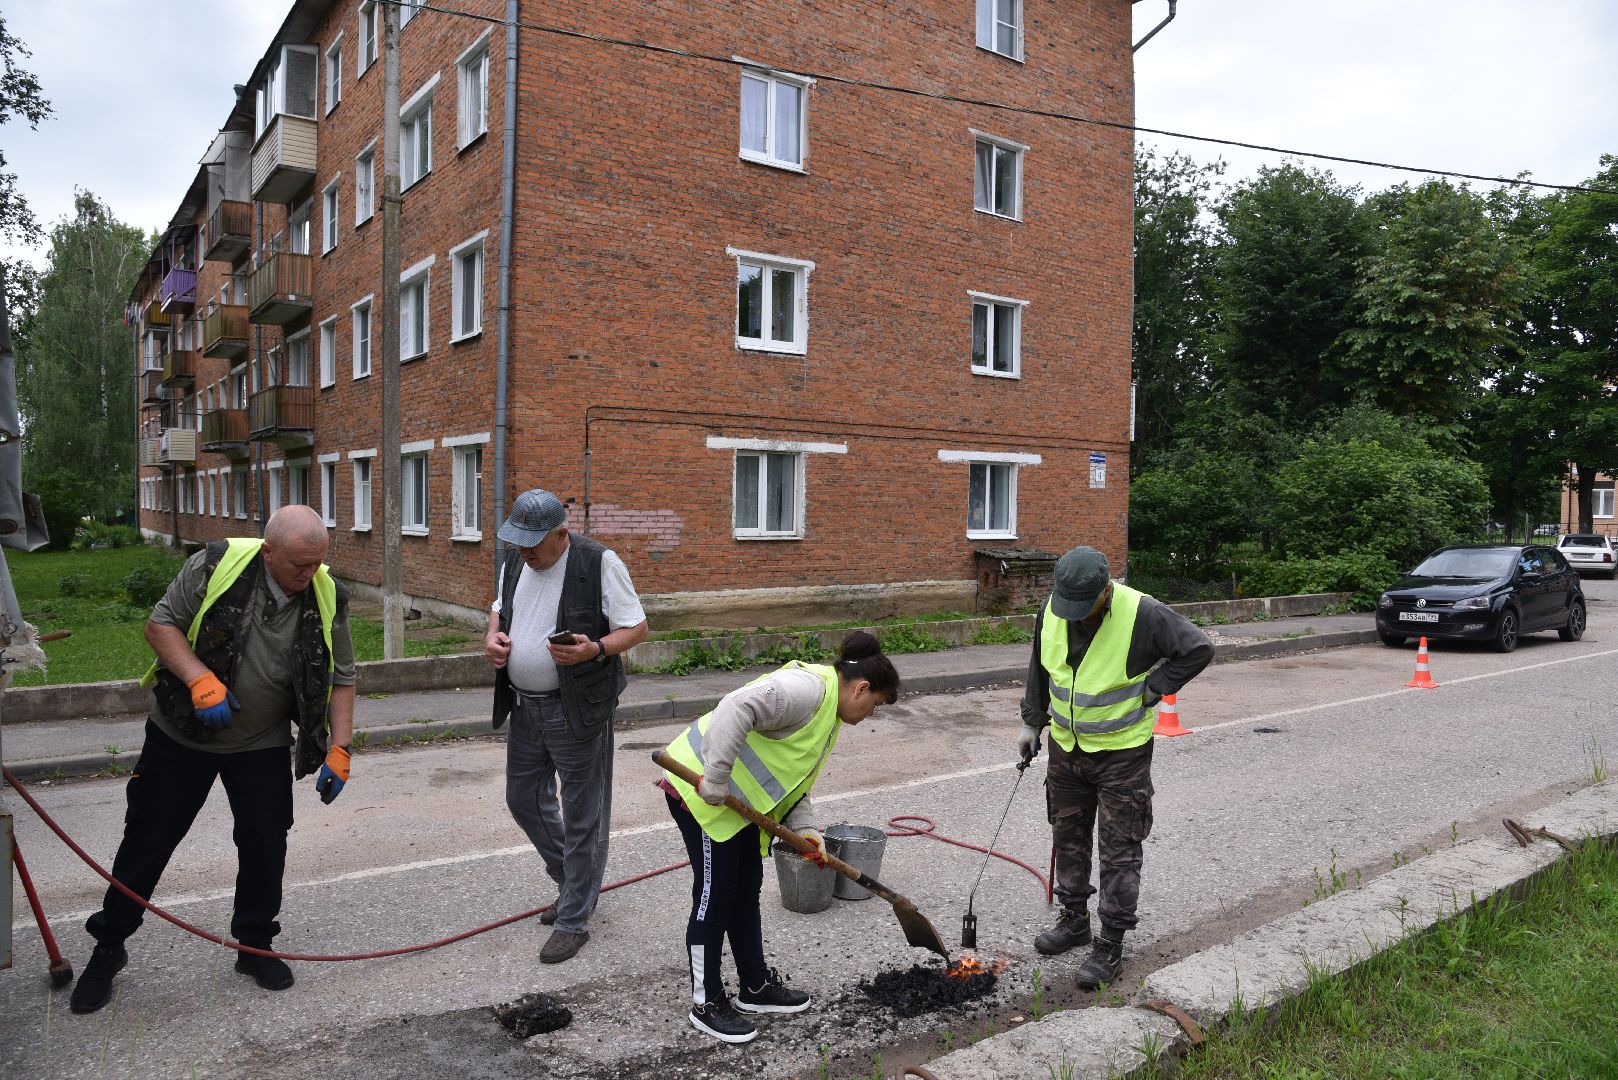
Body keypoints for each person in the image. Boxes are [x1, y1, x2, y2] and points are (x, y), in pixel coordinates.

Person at [70, 504, 356, 1014]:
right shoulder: (214, 565)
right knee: (149, 840)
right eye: (299, 565)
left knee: (265, 842)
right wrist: (199, 679)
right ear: (268, 553)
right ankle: (109, 946)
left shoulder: (327, 591)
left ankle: (254, 945)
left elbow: (343, 677)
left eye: (317, 563)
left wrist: (340, 747)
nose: (309, 574)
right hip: (181, 735)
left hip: (261, 741)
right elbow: (160, 626)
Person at [659, 631, 901, 1045]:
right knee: (716, 896)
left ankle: (755, 987)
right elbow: (736, 706)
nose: (870, 714)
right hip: (699, 793)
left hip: (736, 807)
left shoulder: (829, 715)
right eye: (875, 705)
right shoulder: (807, 690)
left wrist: (807, 831)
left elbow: (790, 781)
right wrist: (714, 776)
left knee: (746, 889)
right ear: (861, 688)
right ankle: (706, 1002)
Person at [1018, 545, 1213, 990]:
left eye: (1084, 608)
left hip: (1122, 753)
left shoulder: (1143, 613)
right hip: (1066, 748)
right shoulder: (1052, 609)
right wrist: (1031, 721)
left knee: (1119, 849)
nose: (1075, 616)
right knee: (1067, 837)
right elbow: (1040, 668)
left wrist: (1158, 686)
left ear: (1106, 590)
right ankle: (1074, 920)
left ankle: (1110, 941)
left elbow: (1198, 648)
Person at [486, 488, 648, 964]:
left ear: (562, 533)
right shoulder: (516, 561)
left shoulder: (599, 562)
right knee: (522, 799)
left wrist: (594, 649)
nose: (523, 551)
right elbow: (498, 607)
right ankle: (577, 883)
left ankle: (574, 919)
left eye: (533, 543)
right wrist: (493, 637)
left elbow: (636, 627)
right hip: (524, 707)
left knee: (582, 815)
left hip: (576, 709)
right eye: (517, 541)